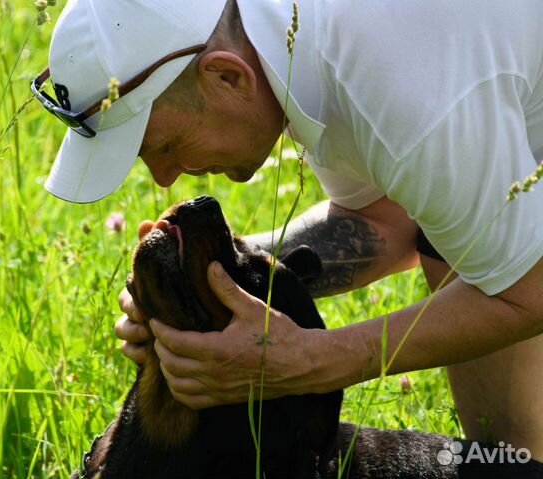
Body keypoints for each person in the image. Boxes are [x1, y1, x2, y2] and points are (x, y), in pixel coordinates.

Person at [32, 0, 543, 468]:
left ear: (228, 77)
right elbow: (385, 224)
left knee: (512, 452)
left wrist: (311, 360)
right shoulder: (298, 46)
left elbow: (528, 293)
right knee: (503, 453)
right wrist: (207, 274)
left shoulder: (403, 93)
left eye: (163, 144)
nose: (165, 177)